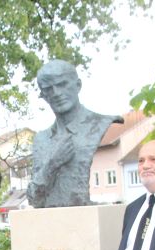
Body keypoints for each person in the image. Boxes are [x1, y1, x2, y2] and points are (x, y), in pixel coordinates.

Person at [27, 60, 123, 208]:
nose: (56, 93)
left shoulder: (100, 124)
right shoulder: (42, 140)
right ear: (44, 96)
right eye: (48, 89)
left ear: (78, 85)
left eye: (62, 85)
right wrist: (52, 163)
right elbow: (34, 200)